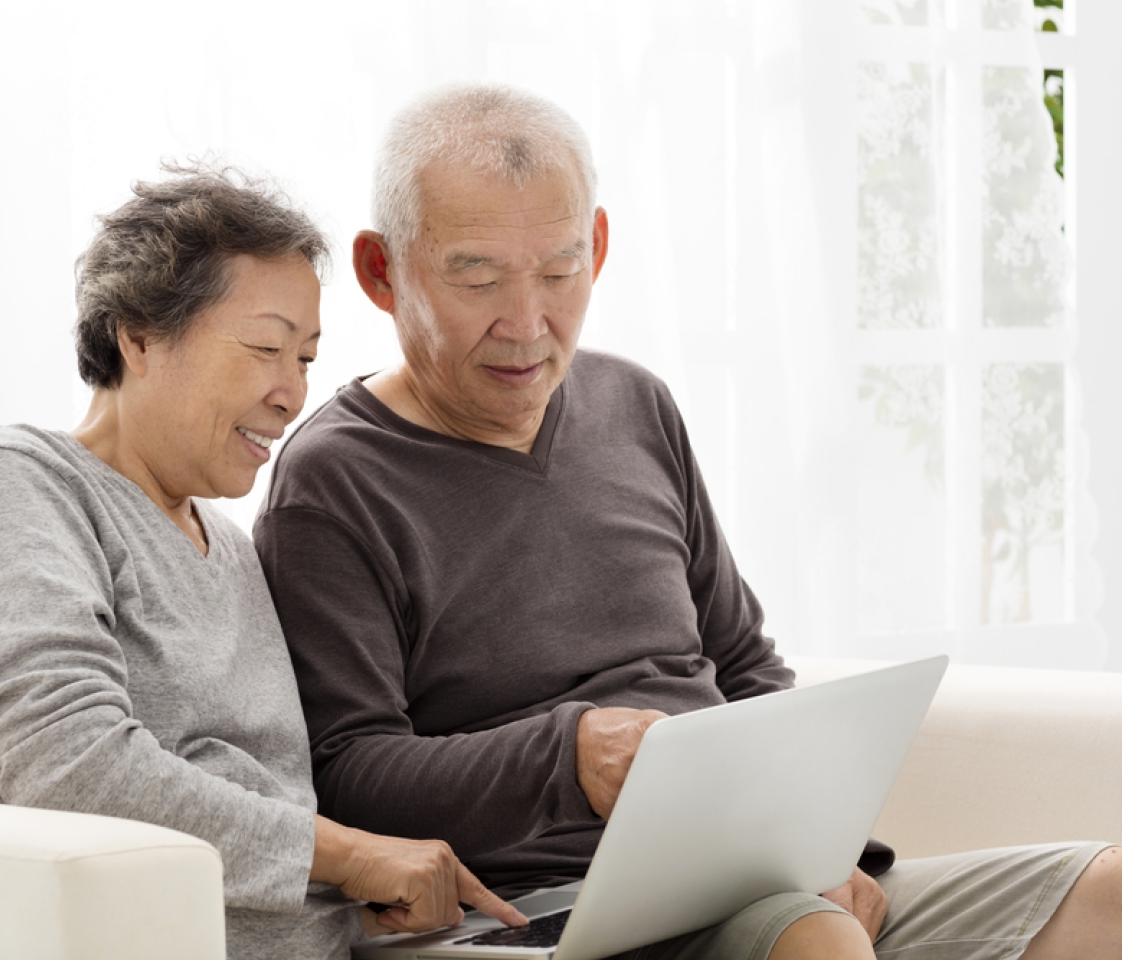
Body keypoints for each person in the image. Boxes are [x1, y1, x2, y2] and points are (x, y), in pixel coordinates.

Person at [252, 85, 1122, 959]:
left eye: (558, 272)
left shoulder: (634, 403)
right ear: (381, 271)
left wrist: (822, 845)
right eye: (476, 275)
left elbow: (743, 664)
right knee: (813, 937)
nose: (526, 324)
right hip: (549, 910)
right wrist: (570, 758)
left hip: (750, 879)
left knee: (1111, 895)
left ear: (595, 246)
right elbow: (346, 772)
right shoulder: (332, 483)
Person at [0, 162, 525, 960]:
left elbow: (260, 824)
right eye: (266, 347)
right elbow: (72, 770)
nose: (293, 395)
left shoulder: (229, 546)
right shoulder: (19, 486)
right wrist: (356, 857)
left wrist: (363, 906)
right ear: (140, 335)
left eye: (306, 359)